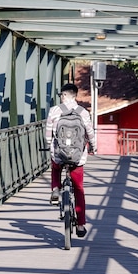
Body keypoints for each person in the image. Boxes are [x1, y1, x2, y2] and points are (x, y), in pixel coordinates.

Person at [45, 83, 96, 237]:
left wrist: (49, 145)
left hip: (59, 154)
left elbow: (48, 135)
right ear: (75, 95)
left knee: (55, 168)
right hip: (77, 156)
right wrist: (93, 147)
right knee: (79, 189)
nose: (61, 96)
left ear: (65, 95)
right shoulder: (83, 112)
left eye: (61, 94)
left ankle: (55, 189)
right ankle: (80, 225)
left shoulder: (54, 110)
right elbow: (90, 133)